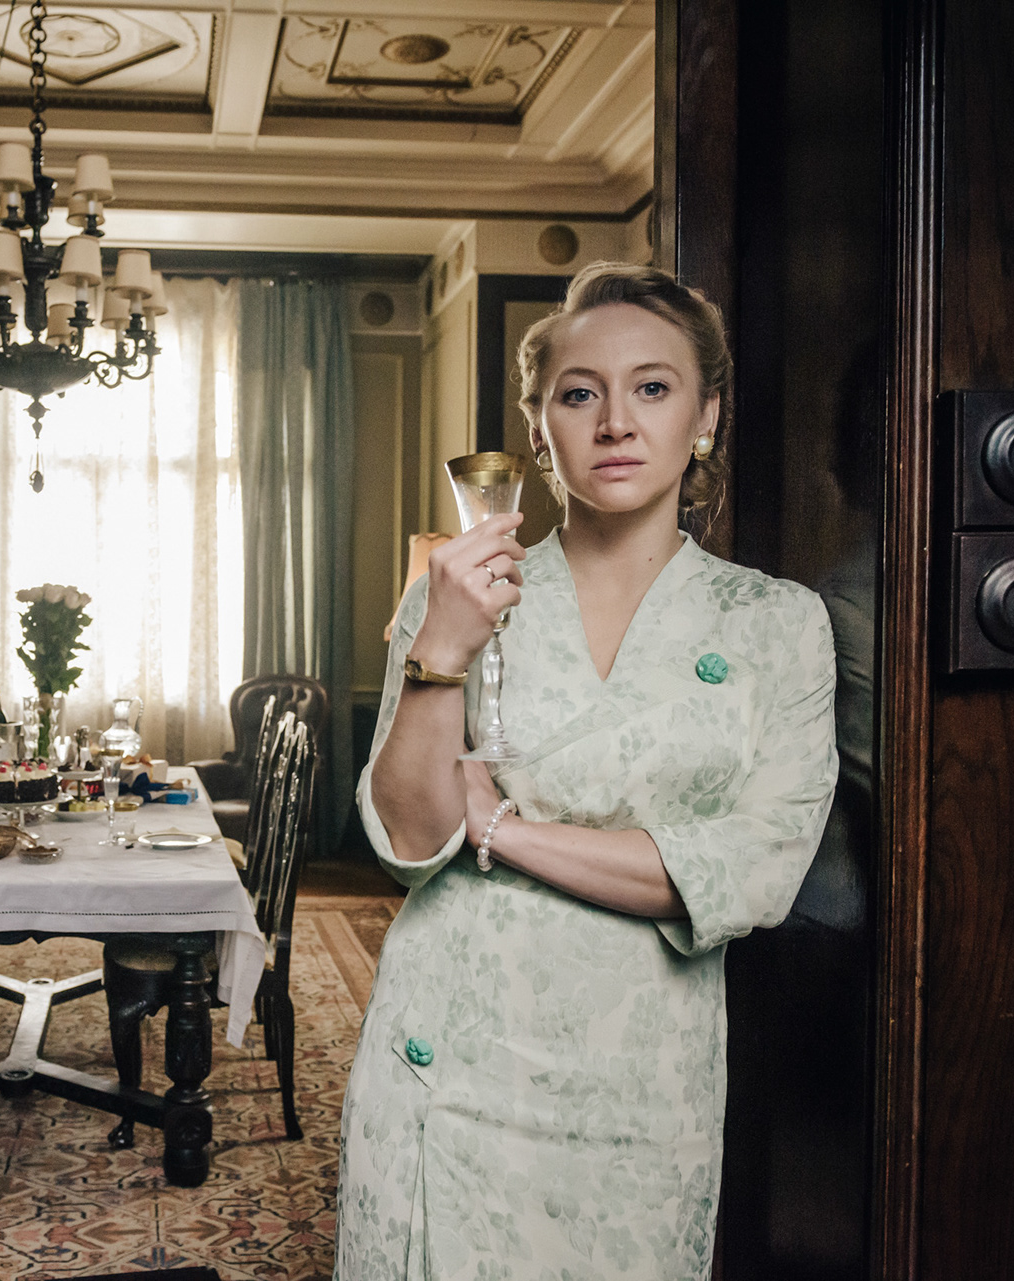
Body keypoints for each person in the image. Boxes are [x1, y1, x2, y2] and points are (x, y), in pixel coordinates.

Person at [336, 261, 840, 1279]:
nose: (615, 421)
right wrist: (443, 649)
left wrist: (503, 829)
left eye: (652, 387)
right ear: (539, 428)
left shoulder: (779, 625)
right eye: (579, 394)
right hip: (449, 1067)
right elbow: (411, 841)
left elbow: (752, 875)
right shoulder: (456, 595)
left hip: (643, 1088)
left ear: (705, 416)